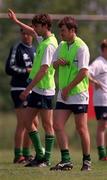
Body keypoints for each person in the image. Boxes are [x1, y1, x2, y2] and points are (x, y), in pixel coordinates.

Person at [8, 9, 58, 167]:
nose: (34, 30)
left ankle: (46, 159)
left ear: (44, 26)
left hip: (44, 90)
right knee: (27, 120)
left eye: (36, 26)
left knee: (47, 125)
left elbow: (43, 71)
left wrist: (27, 89)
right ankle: (40, 155)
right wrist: (16, 21)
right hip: (37, 89)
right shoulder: (43, 39)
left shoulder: (50, 45)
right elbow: (30, 30)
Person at [50, 16, 91, 171]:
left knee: (81, 128)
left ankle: (87, 161)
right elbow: (53, 65)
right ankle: (66, 160)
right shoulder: (61, 45)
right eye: (60, 31)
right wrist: (57, 63)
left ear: (72, 30)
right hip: (64, 94)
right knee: (57, 125)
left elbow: (83, 72)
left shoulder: (82, 47)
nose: (61, 33)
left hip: (79, 94)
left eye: (63, 31)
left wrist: (68, 88)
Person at [5, 26, 38, 164]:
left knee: (34, 122)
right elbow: (9, 68)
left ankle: (26, 153)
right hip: (19, 89)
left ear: (32, 34)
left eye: (28, 33)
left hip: (32, 89)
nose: (26, 36)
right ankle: (18, 155)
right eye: (23, 33)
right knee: (23, 122)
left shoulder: (36, 49)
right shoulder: (17, 48)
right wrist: (26, 70)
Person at [89, 39, 107, 161]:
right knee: (103, 126)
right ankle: (102, 154)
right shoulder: (98, 63)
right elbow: (86, 73)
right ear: (104, 50)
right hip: (101, 100)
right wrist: (95, 82)